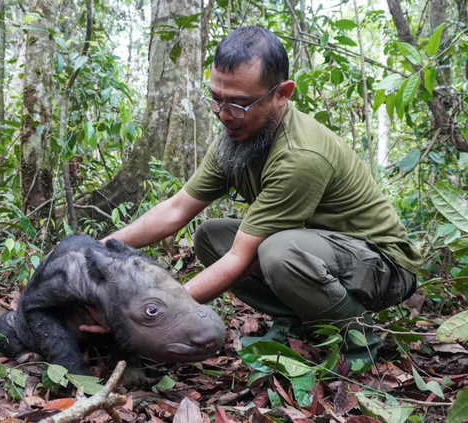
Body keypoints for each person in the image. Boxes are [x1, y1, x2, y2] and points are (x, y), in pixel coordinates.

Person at [90, 26, 421, 363]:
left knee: (278, 252)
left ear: (282, 93)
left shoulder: (300, 156)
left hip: (383, 265)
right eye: (216, 99)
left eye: (239, 104)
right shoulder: (237, 136)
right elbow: (176, 209)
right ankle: (296, 321)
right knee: (210, 237)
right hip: (321, 250)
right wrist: (96, 251)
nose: (223, 115)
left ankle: (357, 339)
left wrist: (151, 316)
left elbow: (240, 259)